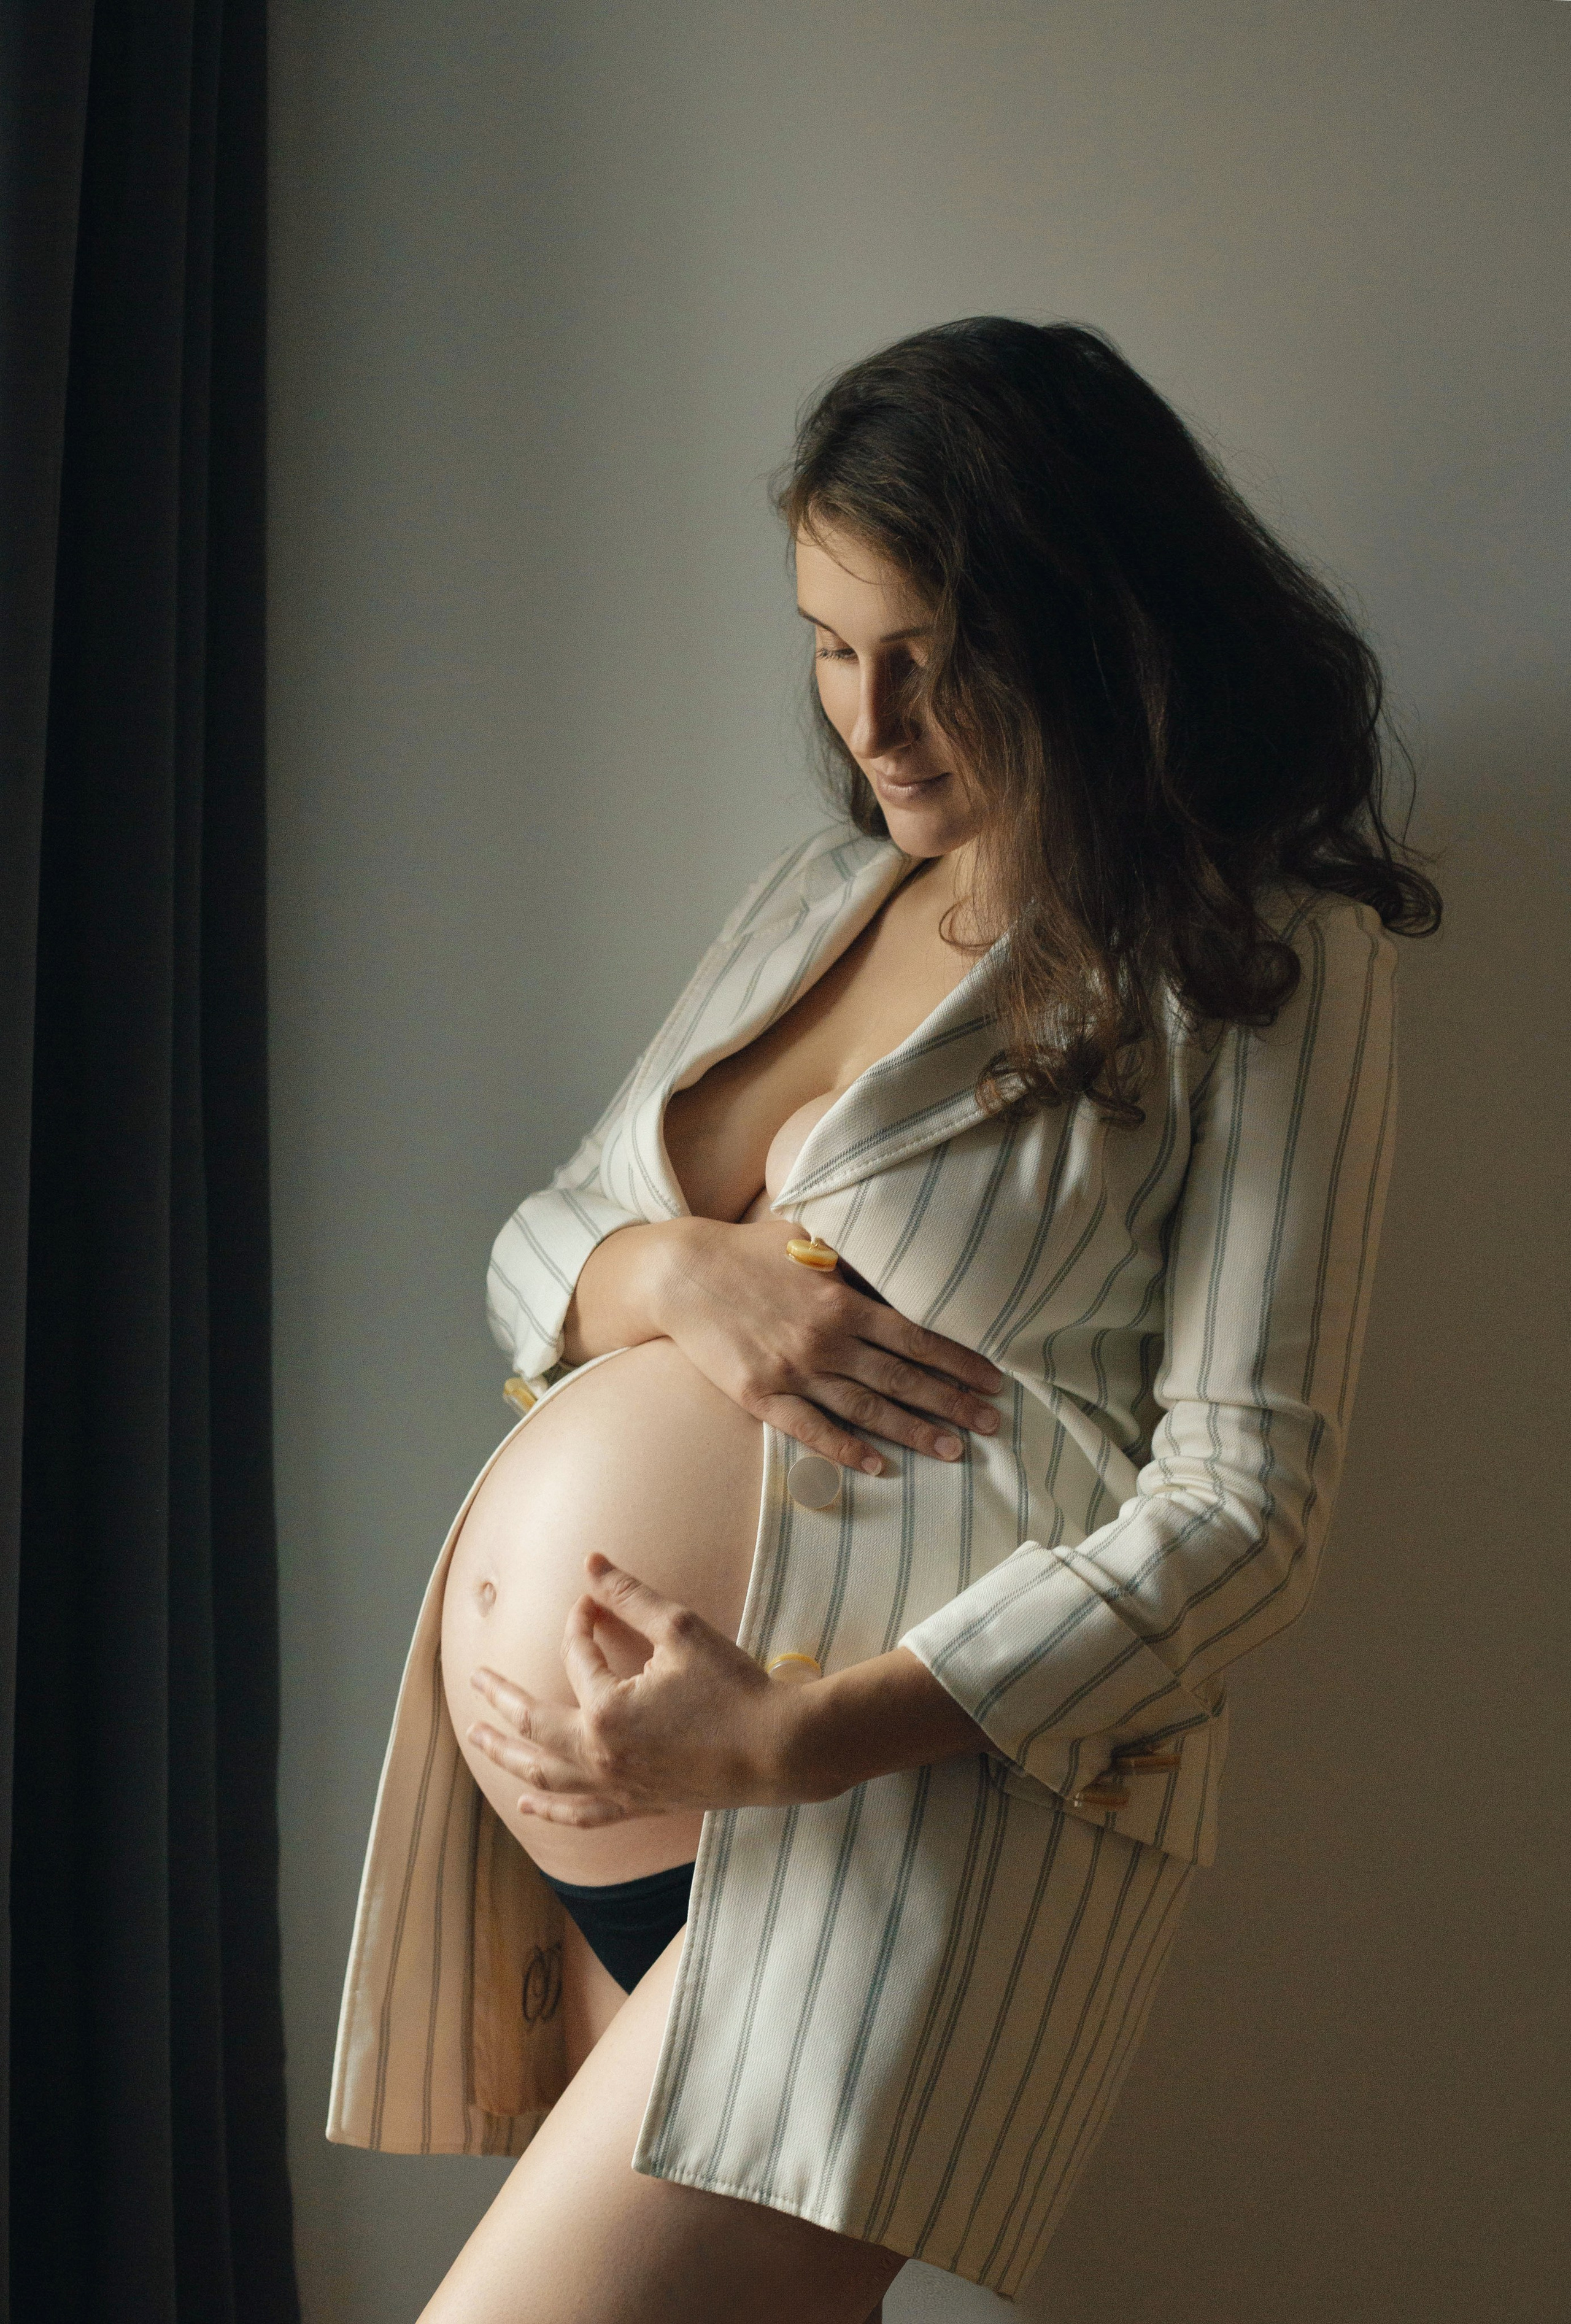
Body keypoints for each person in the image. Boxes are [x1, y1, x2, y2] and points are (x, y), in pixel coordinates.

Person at [328, 317, 1439, 2322]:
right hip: (600, 1835)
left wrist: (792, 1734)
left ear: (1096, 632)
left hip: (895, 1810)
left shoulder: (1269, 949)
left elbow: (1251, 1502)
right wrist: (678, 1273)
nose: (876, 716)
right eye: (834, 646)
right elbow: (543, 1243)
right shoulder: (808, 900)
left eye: (934, 651)